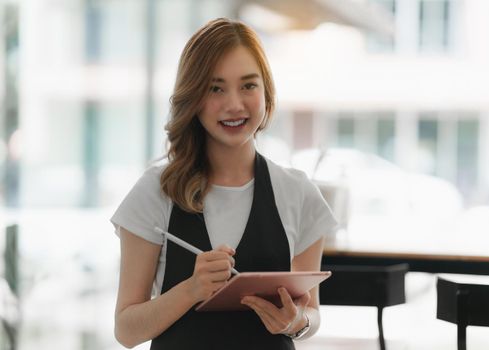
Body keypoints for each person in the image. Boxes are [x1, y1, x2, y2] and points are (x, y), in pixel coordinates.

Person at [111, 17, 339, 350]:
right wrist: (191, 290)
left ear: (266, 91)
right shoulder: (156, 191)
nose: (234, 104)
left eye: (248, 85)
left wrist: (296, 321)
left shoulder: (298, 192)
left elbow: (312, 312)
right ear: (193, 97)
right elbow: (126, 330)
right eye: (215, 88)